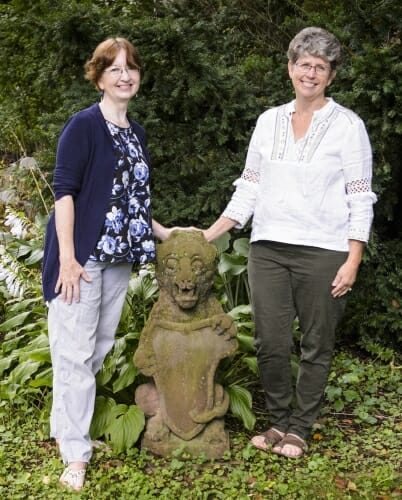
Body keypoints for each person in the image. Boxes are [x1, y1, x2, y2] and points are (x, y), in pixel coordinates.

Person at [201, 27, 376, 458]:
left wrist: (353, 257)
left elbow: (360, 196)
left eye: (320, 67)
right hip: (268, 250)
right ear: (290, 68)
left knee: (318, 342)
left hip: (324, 252)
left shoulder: (348, 127)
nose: (311, 73)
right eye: (304, 64)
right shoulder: (268, 121)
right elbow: (250, 189)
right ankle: (278, 420)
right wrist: (207, 234)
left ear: (330, 76)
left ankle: (300, 427)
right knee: (270, 342)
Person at [42, 37, 173, 491]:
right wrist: (70, 260)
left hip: (118, 262)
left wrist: (163, 232)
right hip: (82, 260)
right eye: (113, 68)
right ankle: (75, 456)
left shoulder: (135, 133)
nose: (124, 75)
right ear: (97, 76)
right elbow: (65, 194)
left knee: (90, 354)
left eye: (131, 68)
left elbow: (130, 201)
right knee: (75, 355)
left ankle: (66, 432)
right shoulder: (83, 126)